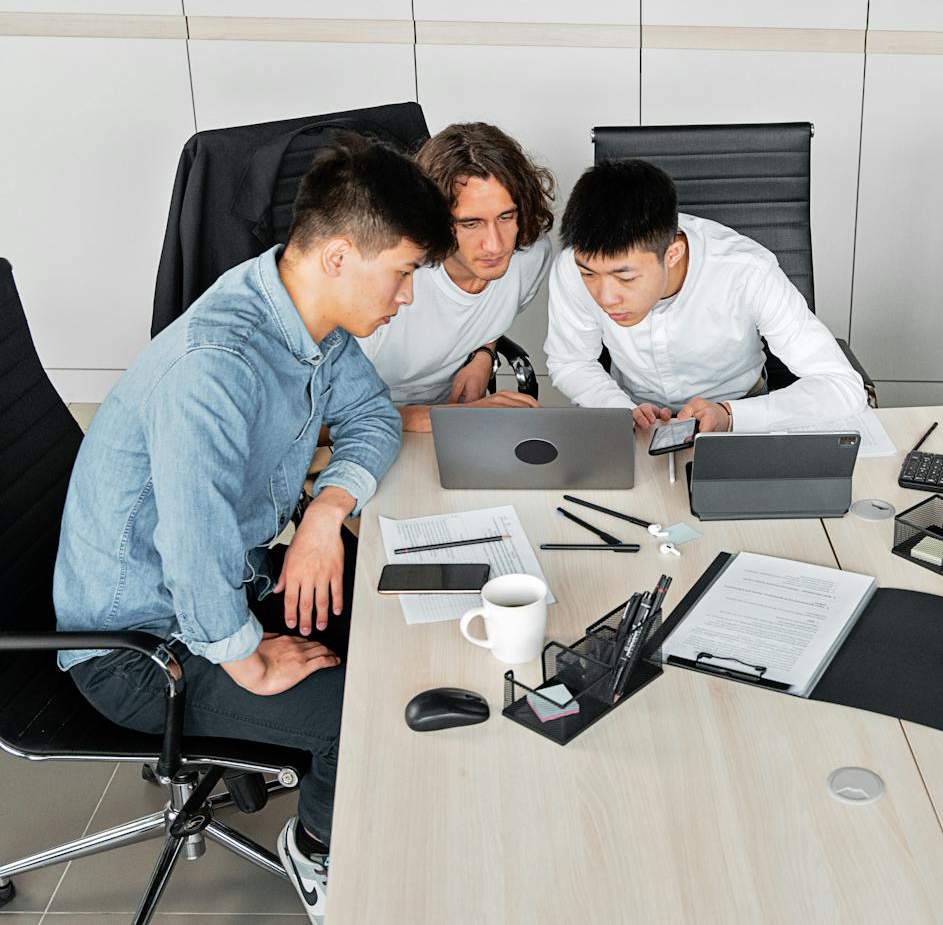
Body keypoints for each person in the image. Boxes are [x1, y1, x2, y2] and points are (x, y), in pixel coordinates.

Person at [53, 133, 455, 923]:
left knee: (406, 616)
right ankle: (321, 851)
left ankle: (383, 801)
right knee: (363, 714)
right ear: (340, 257)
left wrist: (324, 511)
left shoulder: (304, 314)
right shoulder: (217, 366)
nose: (406, 296)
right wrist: (246, 658)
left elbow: (371, 416)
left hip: (228, 579)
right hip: (144, 648)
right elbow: (192, 557)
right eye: (403, 272)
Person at [544, 158, 866, 433]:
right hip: (629, 421)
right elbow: (570, 361)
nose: (605, 297)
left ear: (673, 253)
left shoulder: (747, 271)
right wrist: (616, 406)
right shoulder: (572, 266)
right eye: (589, 274)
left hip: (739, 418)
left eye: (624, 276)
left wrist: (730, 416)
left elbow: (841, 387)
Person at [358, 121, 556, 432]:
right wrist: (446, 417)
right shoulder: (386, 281)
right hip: (367, 425)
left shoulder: (530, 257)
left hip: (449, 424)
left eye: (506, 217)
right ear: (433, 219)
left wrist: (483, 353)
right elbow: (311, 422)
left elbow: (487, 315)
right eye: (470, 224)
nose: (495, 245)